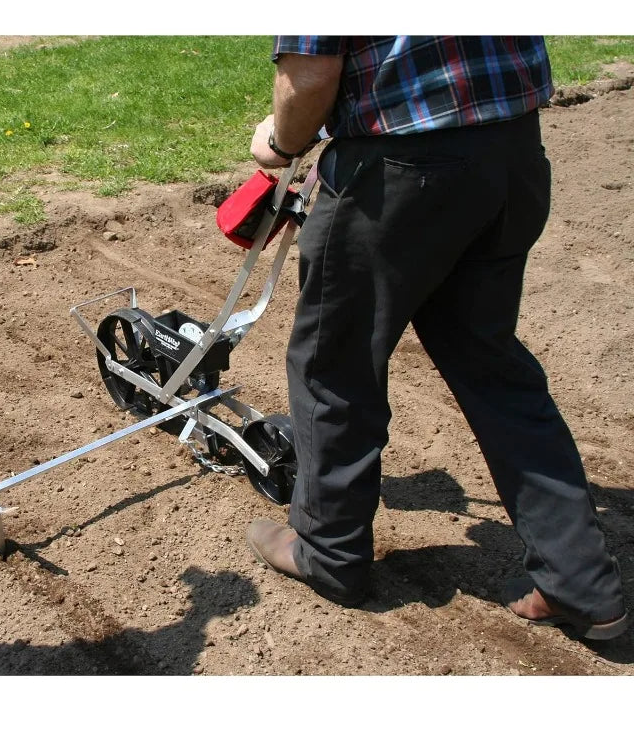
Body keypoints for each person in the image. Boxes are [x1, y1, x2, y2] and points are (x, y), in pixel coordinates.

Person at [245, 35, 628, 640]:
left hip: (399, 171)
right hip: (511, 153)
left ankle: (328, 550)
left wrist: (282, 140)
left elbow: (312, 74)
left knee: (333, 362)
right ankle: (581, 585)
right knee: (491, 364)